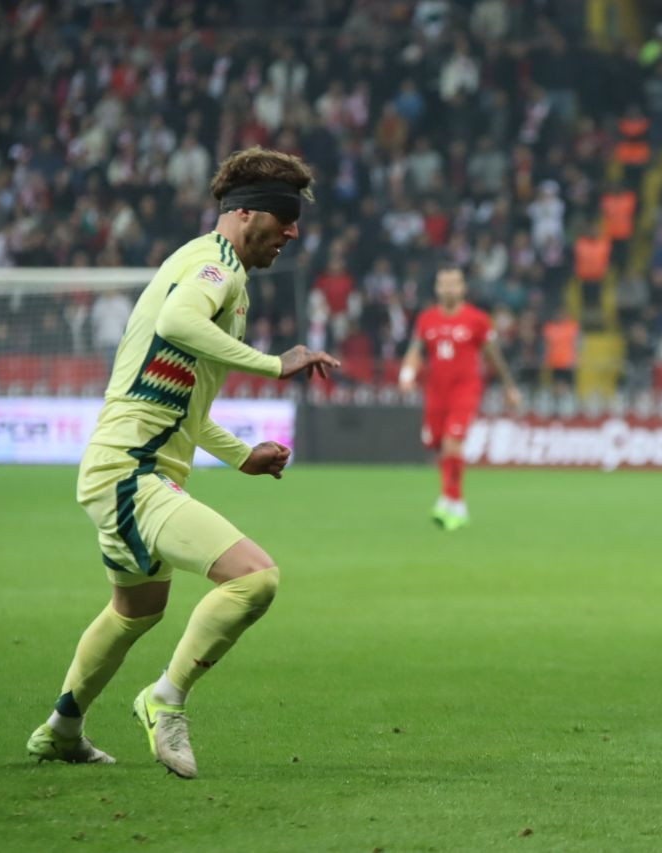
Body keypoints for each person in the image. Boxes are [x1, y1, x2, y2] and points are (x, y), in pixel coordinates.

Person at [26, 146, 339, 778]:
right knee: (255, 578)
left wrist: (240, 454)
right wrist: (278, 363)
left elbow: (186, 403)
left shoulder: (216, 269)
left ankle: (61, 728)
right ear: (246, 214)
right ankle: (164, 698)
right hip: (131, 470)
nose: (293, 233)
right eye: (285, 219)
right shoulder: (213, 265)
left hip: (126, 464)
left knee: (136, 610)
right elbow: (177, 319)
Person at [399, 263, 521, 530]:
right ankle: (457, 503)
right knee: (439, 446)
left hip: (465, 389)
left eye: (454, 283)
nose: (449, 288)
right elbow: (416, 350)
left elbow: (493, 356)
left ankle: (449, 501)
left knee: (454, 443)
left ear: (463, 287)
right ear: (437, 288)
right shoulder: (427, 319)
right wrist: (407, 374)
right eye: (444, 283)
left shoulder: (477, 319)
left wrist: (509, 386)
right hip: (436, 391)